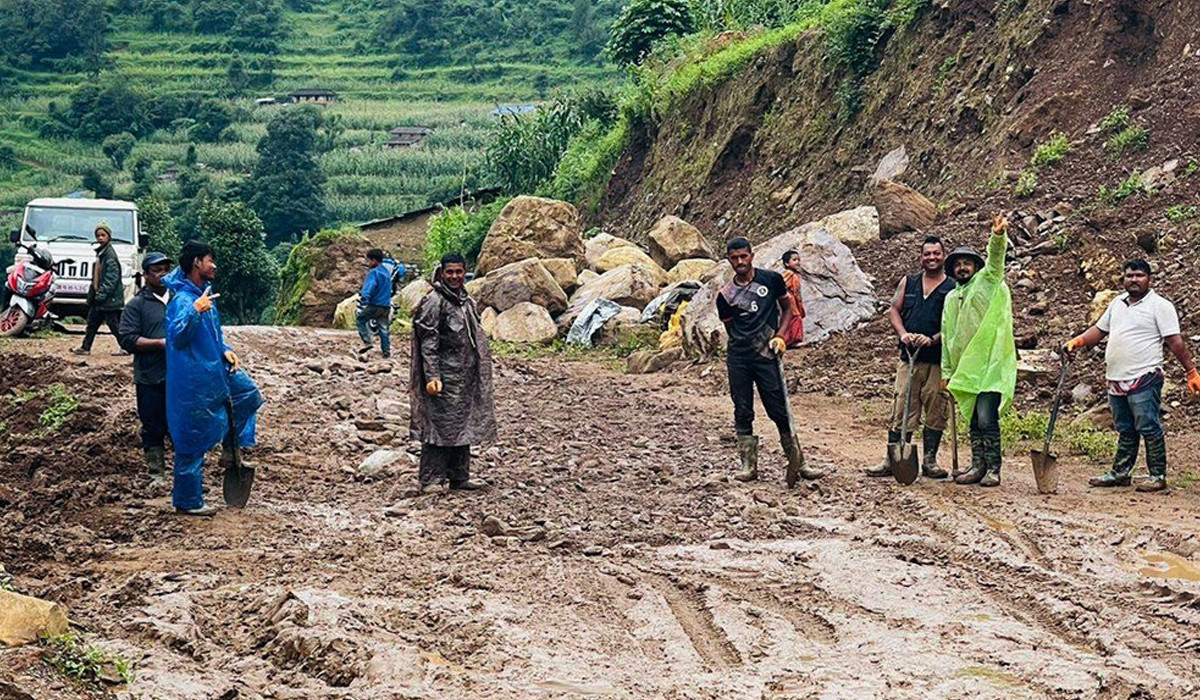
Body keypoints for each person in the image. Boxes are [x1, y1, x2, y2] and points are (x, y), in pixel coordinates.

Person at [1064, 260, 1200, 492]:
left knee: (1148, 425)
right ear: (1123, 279)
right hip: (1116, 377)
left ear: (1149, 279)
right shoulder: (1117, 303)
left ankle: (1157, 475)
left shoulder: (1160, 306)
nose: (1134, 279)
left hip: (1144, 375)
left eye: (1139, 275)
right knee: (1125, 427)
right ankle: (1120, 472)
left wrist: (1191, 371)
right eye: (1129, 276)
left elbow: (1175, 342)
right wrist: (1078, 341)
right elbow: (1099, 331)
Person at [163, 241, 264, 516]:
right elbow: (178, 337)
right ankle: (188, 501)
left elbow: (212, 337)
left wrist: (226, 351)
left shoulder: (205, 296)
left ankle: (230, 446)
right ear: (197, 262)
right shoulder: (183, 301)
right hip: (193, 379)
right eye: (210, 260)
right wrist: (195, 310)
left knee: (248, 395)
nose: (214, 265)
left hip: (215, 369)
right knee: (191, 438)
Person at [717, 237, 823, 487]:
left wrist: (780, 336)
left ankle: (798, 460)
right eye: (735, 258)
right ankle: (748, 465)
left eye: (744, 256)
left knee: (779, 408)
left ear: (752, 256)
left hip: (768, 355)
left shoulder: (772, 280)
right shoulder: (725, 296)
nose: (740, 262)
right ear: (729, 260)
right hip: (739, 357)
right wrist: (746, 344)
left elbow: (788, 309)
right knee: (742, 408)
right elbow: (731, 328)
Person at [867, 236, 956, 479]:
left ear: (943, 256)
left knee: (936, 407)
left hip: (938, 359)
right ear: (921, 257)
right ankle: (892, 459)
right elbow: (894, 310)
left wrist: (935, 338)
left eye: (936, 253)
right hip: (909, 357)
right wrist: (903, 333)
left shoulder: (953, 287)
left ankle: (930, 461)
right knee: (902, 405)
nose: (932, 258)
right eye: (927, 254)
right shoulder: (910, 282)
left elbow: (956, 322)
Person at [941, 215, 1017, 487]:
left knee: (987, 418)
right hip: (964, 368)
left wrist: (997, 237)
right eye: (958, 264)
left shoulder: (986, 282)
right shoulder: (951, 297)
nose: (963, 267)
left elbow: (996, 261)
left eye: (967, 263)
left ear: (976, 266)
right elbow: (948, 336)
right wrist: (947, 371)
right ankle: (977, 465)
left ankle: (993, 469)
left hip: (989, 365)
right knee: (973, 421)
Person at [410, 253, 495, 494]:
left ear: (465, 272)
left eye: (459, 272)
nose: (455, 277)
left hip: (465, 377)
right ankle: (430, 479)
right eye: (450, 272)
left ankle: (459, 476)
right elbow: (428, 342)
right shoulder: (434, 302)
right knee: (439, 426)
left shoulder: (466, 302)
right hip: (443, 377)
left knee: (463, 423)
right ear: (441, 273)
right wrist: (432, 376)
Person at [117, 252, 174, 482]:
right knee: (152, 425)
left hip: (179, 376)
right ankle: (156, 474)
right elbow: (127, 339)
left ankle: (184, 472)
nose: (162, 275)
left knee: (180, 424)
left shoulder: (179, 298)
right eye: (156, 270)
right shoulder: (136, 305)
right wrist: (160, 344)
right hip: (149, 375)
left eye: (165, 270)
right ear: (146, 275)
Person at [73, 224, 124, 355]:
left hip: (107, 299)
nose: (100, 238)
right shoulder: (102, 253)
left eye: (103, 235)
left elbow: (111, 279)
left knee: (113, 324)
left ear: (109, 237)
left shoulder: (109, 256)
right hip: (101, 297)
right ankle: (85, 348)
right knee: (92, 323)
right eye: (98, 236)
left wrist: (101, 294)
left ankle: (126, 347)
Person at [356, 248, 393, 359]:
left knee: (360, 319)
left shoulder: (374, 272)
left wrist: (364, 298)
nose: (368, 263)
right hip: (386, 305)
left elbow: (369, 287)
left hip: (375, 304)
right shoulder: (386, 273)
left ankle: (368, 342)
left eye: (369, 261)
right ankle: (386, 352)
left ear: (374, 260)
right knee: (383, 328)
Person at [779, 250, 807, 347]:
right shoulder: (790, 275)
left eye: (798, 260)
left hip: (789, 298)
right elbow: (793, 290)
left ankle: (787, 340)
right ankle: (794, 340)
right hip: (790, 299)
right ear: (787, 263)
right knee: (795, 317)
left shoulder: (789, 274)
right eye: (794, 260)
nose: (798, 262)